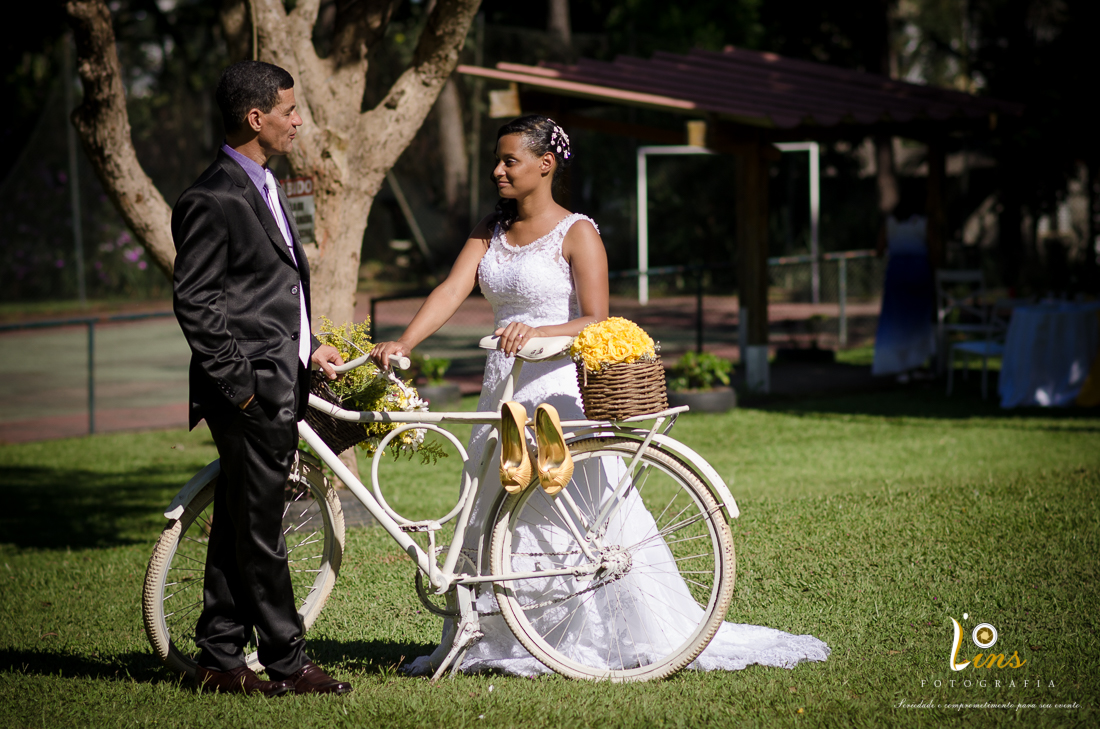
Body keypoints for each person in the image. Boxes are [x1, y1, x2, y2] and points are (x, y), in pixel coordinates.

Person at [371, 115, 830, 676]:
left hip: (557, 389)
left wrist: (538, 330)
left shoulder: (578, 232)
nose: (497, 170)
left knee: (576, 509)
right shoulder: (489, 229)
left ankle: (591, 634)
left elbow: (597, 318)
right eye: (497, 160)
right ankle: (501, 634)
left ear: (545, 164)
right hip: (502, 386)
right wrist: (405, 341)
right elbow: (451, 289)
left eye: (510, 160)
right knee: (496, 503)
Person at [172, 60, 350, 696]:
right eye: (289, 110)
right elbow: (197, 303)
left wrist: (310, 347)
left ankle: (220, 659)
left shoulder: (267, 184)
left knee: (240, 526)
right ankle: (287, 661)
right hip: (250, 394)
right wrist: (243, 388)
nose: (298, 121)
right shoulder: (212, 197)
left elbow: (267, 291)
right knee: (262, 532)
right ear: (256, 118)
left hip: (280, 380)